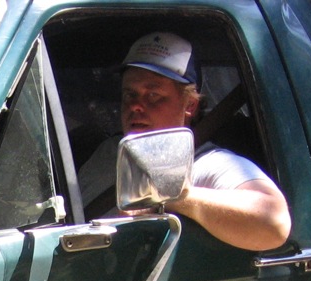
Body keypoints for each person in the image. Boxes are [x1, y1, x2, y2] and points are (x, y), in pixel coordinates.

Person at [79, 32, 291, 251]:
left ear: (190, 105)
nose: (135, 106)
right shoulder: (109, 152)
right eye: (130, 94)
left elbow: (274, 223)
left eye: (153, 95)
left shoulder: (208, 163)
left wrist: (175, 197)